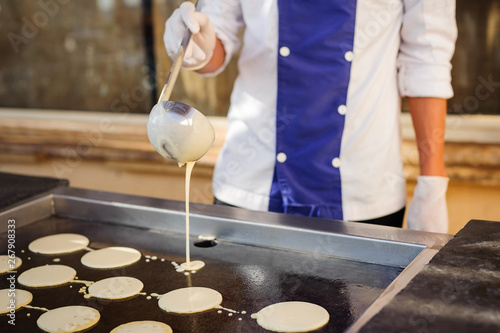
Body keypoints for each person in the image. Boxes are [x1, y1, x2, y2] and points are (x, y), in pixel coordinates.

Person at [163, 0, 457, 232]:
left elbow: (426, 59)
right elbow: (215, 42)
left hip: (364, 188)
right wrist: (194, 43)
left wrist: (431, 180)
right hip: (252, 182)